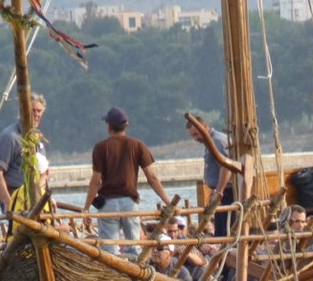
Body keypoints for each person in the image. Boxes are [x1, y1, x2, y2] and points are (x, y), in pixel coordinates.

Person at [83, 106, 172, 258]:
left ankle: (113, 277)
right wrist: (168, 202)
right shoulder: (137, 145)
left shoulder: (100, 147)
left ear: (109, 126)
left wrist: (86, 208)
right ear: (126, 126)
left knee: (109, 251)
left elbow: (95, 181)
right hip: (130, 203)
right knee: (133, 249)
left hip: (108, 204)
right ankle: (134, 277)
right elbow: (152, 177)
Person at [0, 93, 48, 213]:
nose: (36, 115)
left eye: (39, 111)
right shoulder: (10, 137)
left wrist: (47, 199)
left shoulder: (37, 140)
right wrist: (7, 203)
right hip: (17, 201)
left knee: (63, 227)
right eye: (33, 111)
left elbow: (43, 175)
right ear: (23, 111)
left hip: (36, 201)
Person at [186, 116, 233, 237]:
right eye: (193, 136)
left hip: (227, 194)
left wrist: (219, 191)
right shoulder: (210, 142)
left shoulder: (217, 141)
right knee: (220, 232)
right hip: (221, 193)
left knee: (226, 233)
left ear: (205, 127)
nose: (196, 138)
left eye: (197, 134)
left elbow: (226, 166)